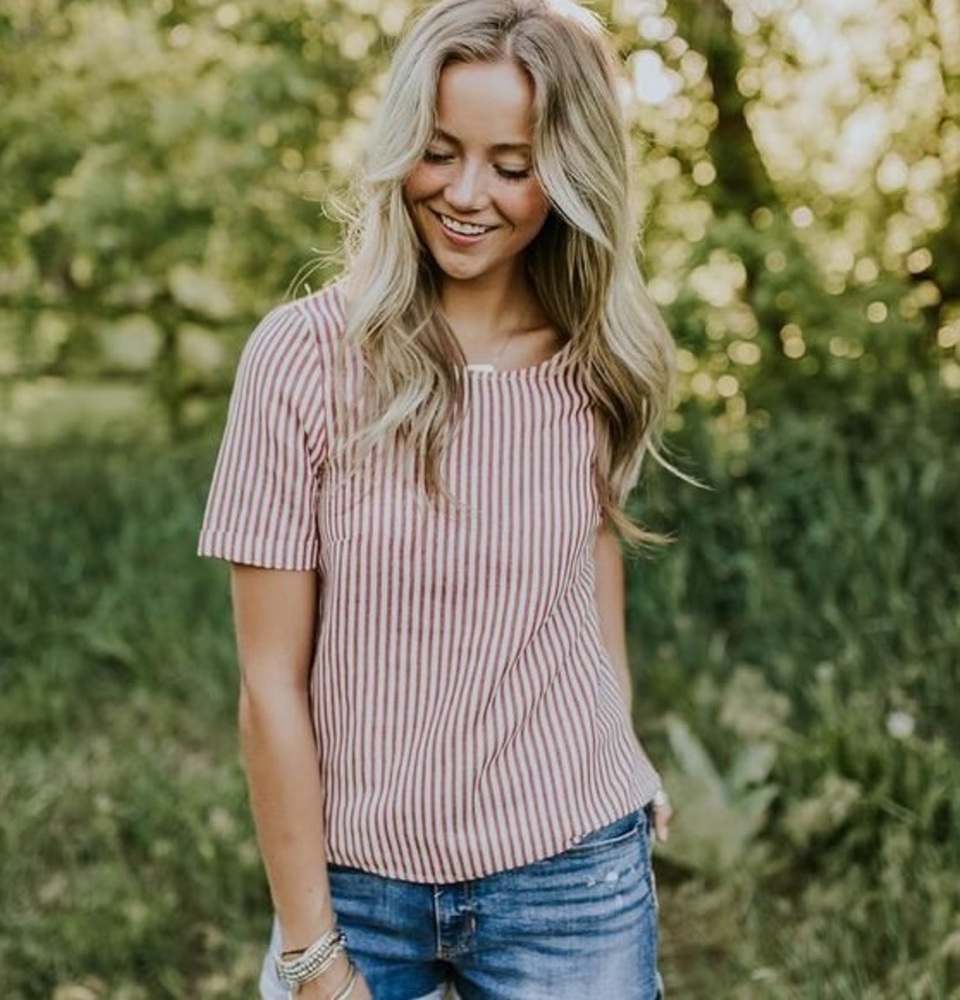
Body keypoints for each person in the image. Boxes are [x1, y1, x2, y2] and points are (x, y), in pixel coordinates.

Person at [198, 1, 677, 996]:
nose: (467, 194)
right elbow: (269, 686)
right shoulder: (300, 360)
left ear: (571, 172)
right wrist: (312, 950)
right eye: (439, 150)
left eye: (512, 165)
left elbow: (589, 561)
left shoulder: (593, 361)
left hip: (569, 876)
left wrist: (616, 739)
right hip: (357, 889)